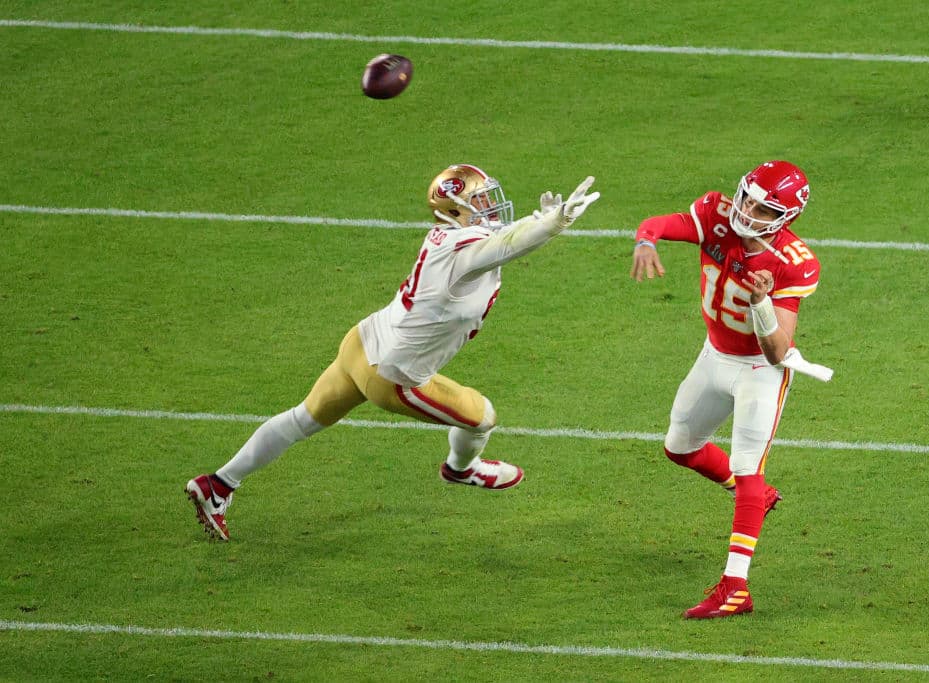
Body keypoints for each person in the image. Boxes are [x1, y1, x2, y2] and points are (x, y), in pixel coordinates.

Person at [186, 164, 600, 541]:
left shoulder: (450, 236)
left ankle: (217, 484)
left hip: (363, 342)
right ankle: (461, 469)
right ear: (453, 208)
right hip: (392, 376)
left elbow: (499, 241)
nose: (489, 205)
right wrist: (553, 223)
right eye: (478, 199)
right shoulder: (465, 250)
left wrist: (540, 220)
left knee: (301, 419)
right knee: (482, 418)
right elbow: (507, 246)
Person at [629, 160, 832, 619]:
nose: (746, 211)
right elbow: (660, 223)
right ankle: (757, 497)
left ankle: (736, 587)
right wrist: (646, 240)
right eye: (746, 199)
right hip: (714, 355)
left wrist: (761, 303)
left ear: (784, 218)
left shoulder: (792, 263)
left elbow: (778, 351)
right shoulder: (716, 215)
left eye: (762, 209)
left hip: (759, 370)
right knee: (679, 447)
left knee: (747, 467)